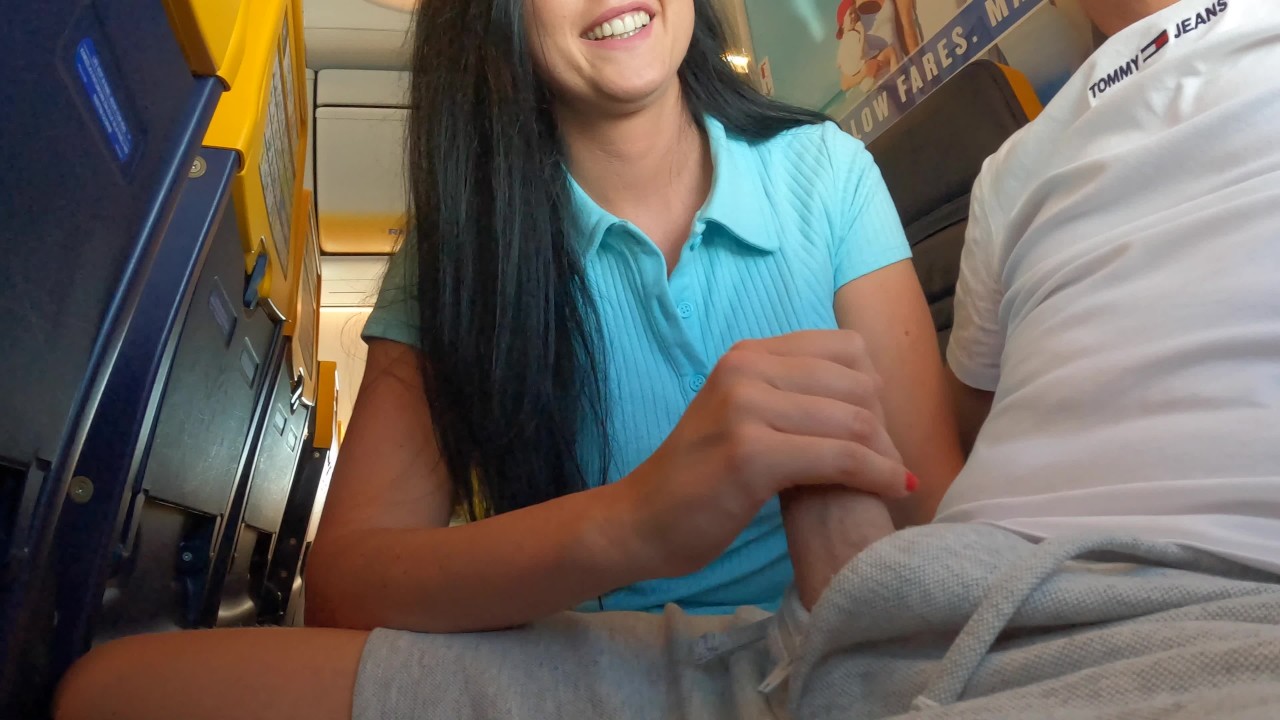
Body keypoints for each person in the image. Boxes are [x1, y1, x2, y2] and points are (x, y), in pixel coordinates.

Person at [54, 0, 958, 717]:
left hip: (828, 639)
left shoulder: (825, 174)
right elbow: (345, 585)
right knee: (108, 694)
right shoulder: (456, 255)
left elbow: (938, 513)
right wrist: (637, 520)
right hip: (595, 665)